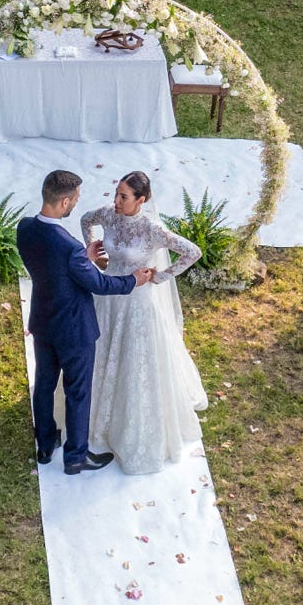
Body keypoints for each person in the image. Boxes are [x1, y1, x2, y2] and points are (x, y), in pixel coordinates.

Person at [17, 169, 154, 474]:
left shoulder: (25, 228)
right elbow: (101, 286)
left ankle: (44, 444)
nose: (77, 204)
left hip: (43, 320)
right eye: (76, 199)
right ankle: (76, 456)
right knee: (77, 390)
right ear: (64, 202)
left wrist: (84, 260)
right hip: (75, 329)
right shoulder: (69, 248)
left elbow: (50, 268)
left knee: (44, 384)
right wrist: (132, 280)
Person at [81, 173, 209, 474]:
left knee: (135, 365)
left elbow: (192, 252)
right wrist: (95, 254)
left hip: (137, 304)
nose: (116, 201)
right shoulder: (108, 215)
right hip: (108, 295)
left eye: (124, 197)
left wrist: (159, 277)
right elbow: (86, 220)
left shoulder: (151, 229)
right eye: (116, 193)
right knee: (99, 353)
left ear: (142, 200)